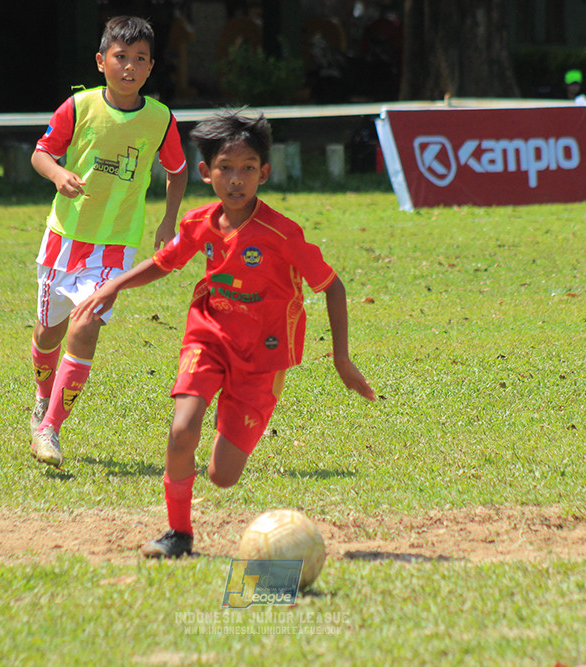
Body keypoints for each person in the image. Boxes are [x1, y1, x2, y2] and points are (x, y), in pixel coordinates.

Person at [70, 109, 376, 558]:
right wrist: (114, 285)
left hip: (264, 357)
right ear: (205, 173)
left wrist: (342, 360)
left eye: (248, 169)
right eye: (226, 169)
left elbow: (332, 286)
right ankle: (179, 534)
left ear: (264, 173)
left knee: (222, 476)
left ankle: (231, 420)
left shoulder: (283, 233)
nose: (237, 179)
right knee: (182, 430)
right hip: (208, 336)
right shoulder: (200, 223)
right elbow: (164, 261)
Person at [28, 16, 188, 468]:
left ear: (152, 66)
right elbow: (42, 153)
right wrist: (59, 174)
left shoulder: (160, 119)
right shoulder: (78, 107)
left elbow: (177, 172)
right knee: (48, 333)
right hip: (62, 240)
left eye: (140, 59)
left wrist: (168, 221)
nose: (130, 67)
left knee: (85, 327)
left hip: (115, 248)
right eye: (121, 57)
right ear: (102, 62)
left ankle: (50, 429)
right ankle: (43, 396)